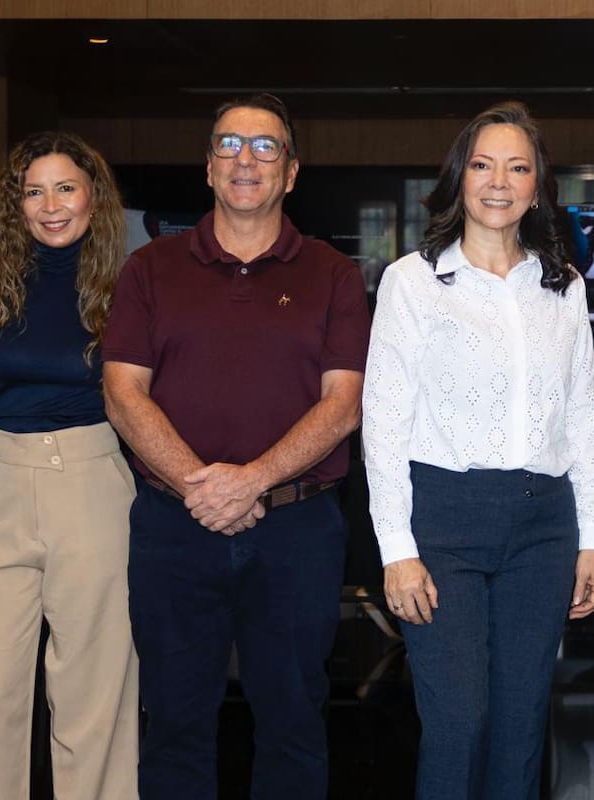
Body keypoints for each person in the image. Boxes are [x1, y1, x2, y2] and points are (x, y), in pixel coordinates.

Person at [102, 93, 370, 800]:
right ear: (208, 168)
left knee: (293, 725)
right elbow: (123, 393)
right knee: (175, 724)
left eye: (264, 147)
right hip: (172, 527)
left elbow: (343, 405)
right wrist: (202, 484)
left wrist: (248, 481)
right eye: (228, 145)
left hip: (298, 530)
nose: (244, 160)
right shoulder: (148, 269)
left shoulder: (335, 275)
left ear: (291, 172)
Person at [362, 101, 594, 800]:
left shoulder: (563, 286)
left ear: (537, 186)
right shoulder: (413, 281)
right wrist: (395, 549)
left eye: (518, 167)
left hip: (543, 525)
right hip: (442, 522)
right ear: (459, 177)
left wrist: (593, 540)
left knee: (521, 723)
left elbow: (584, 413)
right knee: (458, 723)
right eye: (482, 164)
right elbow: (382, 417)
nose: (498, 181)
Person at [0, 131, 137, 800]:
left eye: (65, 187)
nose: (50, 205)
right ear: (15, 204)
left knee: (91, 687)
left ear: (93, 197)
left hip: (92, 484)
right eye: (33, 191)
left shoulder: (129, 284)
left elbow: (147, 400)